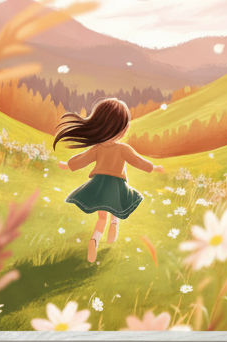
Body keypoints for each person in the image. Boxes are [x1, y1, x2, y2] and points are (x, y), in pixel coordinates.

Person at [55, 98, 165, 262]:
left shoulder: (98, 147)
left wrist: (67, 165)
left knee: (101, 217)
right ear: (122, 128)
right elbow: (138, 162)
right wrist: (153, 168)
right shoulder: (123, 148)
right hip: (117, 185)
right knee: (117, 208)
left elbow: (82, 159)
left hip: (99, 184)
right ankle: (114, 224)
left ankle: (94, 240)